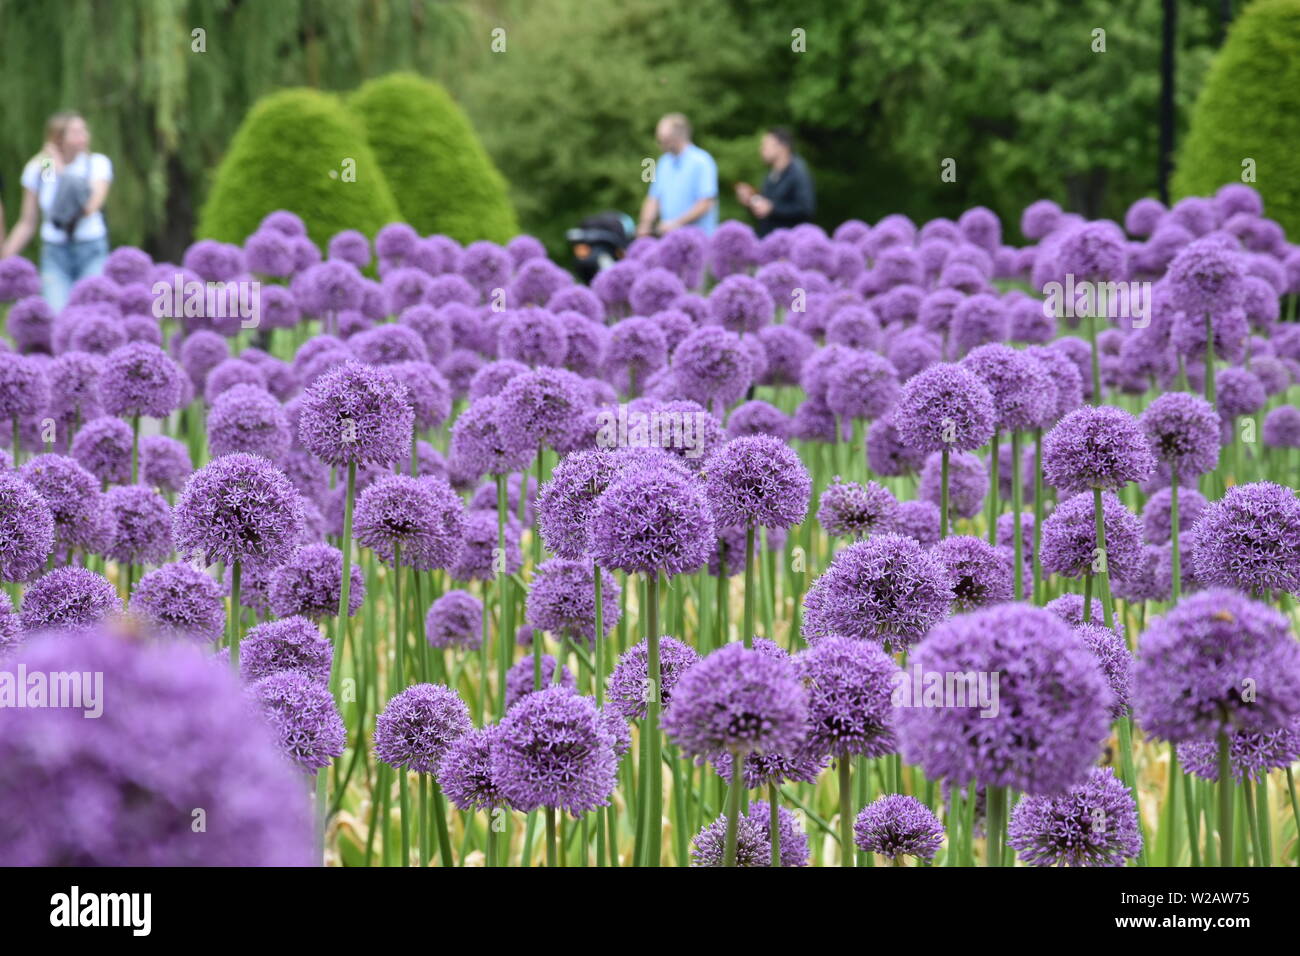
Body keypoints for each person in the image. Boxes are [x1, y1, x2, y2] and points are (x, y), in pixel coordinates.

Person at [1, 111, 113, 311]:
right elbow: (30, 220)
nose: (84, 136)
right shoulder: (43, 167)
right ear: (58, 138)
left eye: (84, 130)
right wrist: (6, 257)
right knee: (57, 314)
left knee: (94, 310)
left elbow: (89, 207)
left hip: (91, 248)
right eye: (76, 132)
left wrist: (61, 170)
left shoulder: (96, 164)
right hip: (55, 252)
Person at [636, 113, 718, 238]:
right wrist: (644, 225)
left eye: (663, 140)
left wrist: (676, 224)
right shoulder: (663, 162)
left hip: (698, 241)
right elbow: (653, 198)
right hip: (670, 240)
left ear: (678, 137)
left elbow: (706, 203)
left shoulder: (702, 161)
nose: (659, 144)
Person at [735, 126, 815, 236]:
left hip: (790, 243)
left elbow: (805, 209)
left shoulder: (798, 172)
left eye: (766, 145)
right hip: (769, 241)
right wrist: (750, 200)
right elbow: (765, 207)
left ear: (782, 147)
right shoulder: (771, 173)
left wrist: (773, 209)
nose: (761, 149)